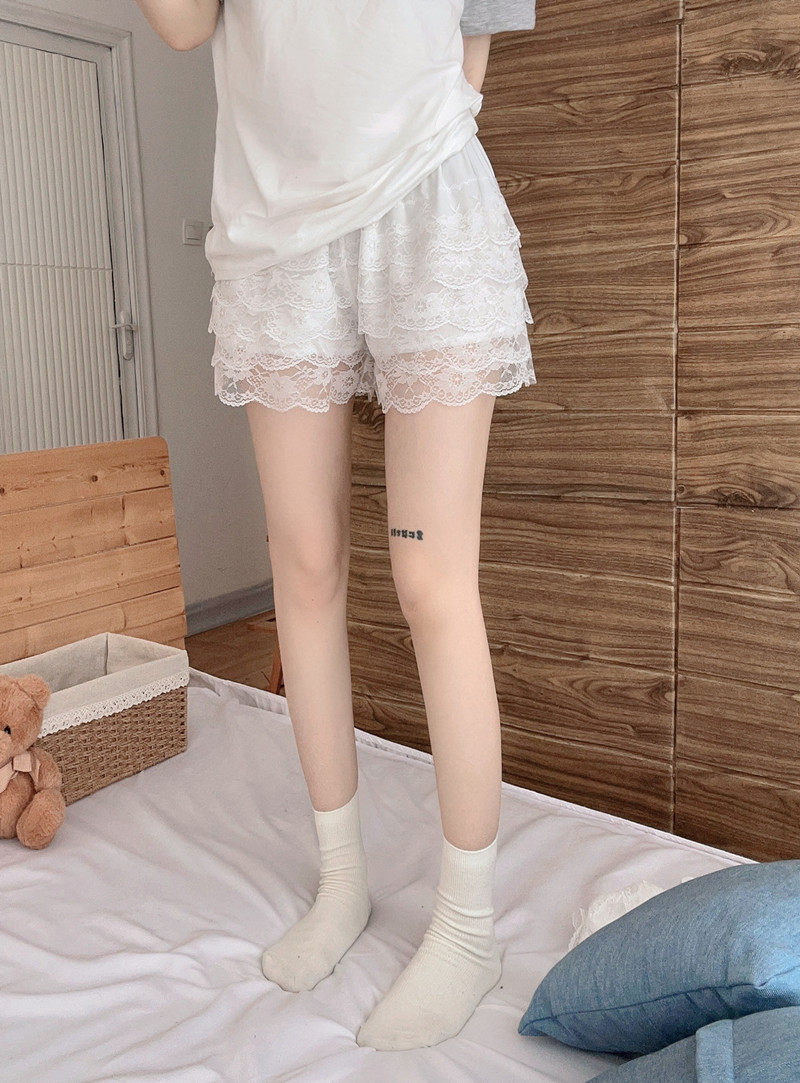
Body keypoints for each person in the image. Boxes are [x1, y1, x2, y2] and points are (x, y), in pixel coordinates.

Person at [135, 0, 537, 1051]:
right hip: (271, 236)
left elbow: (477, 33)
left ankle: (467, 926)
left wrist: (402, 148)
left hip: (422, 206)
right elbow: (183, 25)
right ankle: (342, 881)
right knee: (303, 569)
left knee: (430, 580)